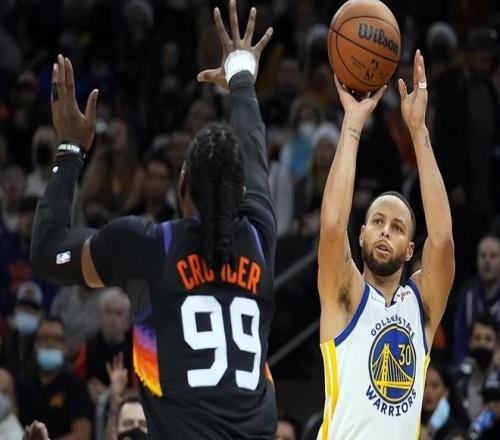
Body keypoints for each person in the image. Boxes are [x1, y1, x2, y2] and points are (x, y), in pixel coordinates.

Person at [30, 1, 277, 438]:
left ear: (181, 185)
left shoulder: (147, 245)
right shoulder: (259, 235)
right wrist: (241, 74)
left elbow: (48, 252)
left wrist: (69, 150)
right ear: (241, 192)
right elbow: (253, 146)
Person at [316, 50, 454, 439]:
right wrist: (353, 122)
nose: (385, 231)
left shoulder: (420, 305)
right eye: (377, 222)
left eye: (397, 227)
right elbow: (332, 225)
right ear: (361, 234)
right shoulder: (345, 295)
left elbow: (443, 240)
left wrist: (418, 132)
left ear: (410, 250)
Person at [17, 317, 93, 440]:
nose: (50, 343)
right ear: (35, 346)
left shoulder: (76, 385)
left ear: (65, 347)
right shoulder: (24, 384)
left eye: (56, 339)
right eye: (44, 338)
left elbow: (82, 434)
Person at [453, 235, 500, 364]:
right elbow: (459, 344)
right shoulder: (467, 296)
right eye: (483, 256)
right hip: (471, 367)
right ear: (477, 260)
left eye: (493, 256)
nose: (487, 261)